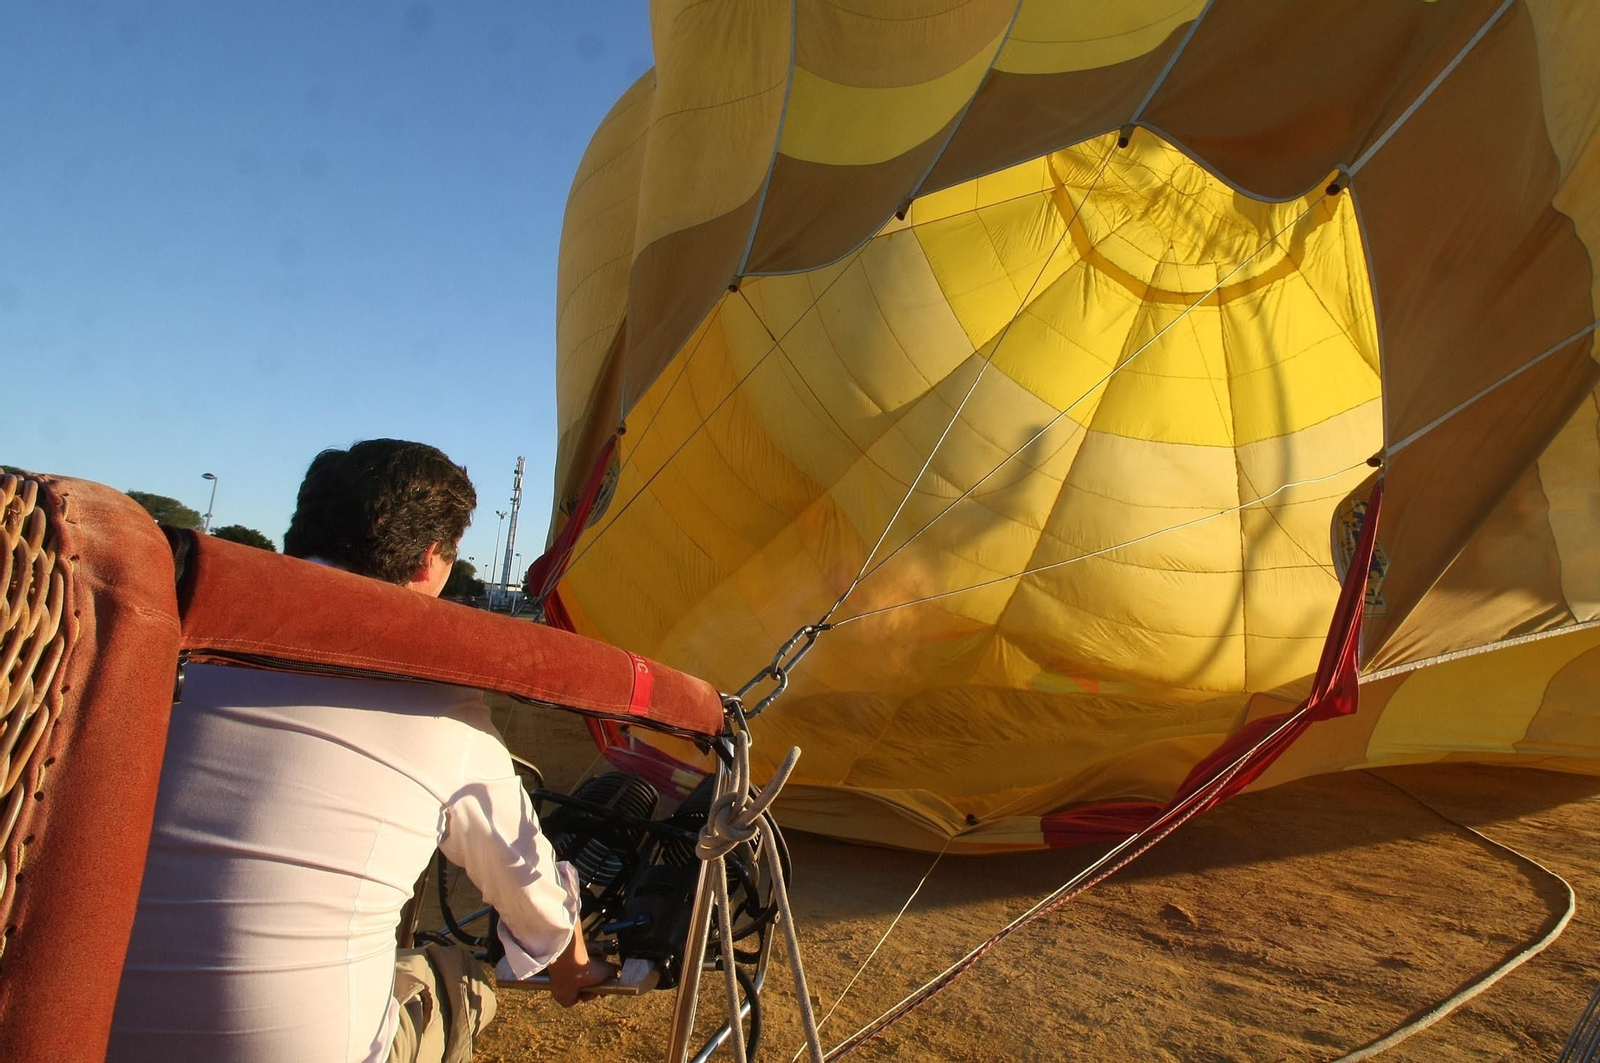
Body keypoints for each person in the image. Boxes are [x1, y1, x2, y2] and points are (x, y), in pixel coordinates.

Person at [109, 439, 612, 1063]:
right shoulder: (439, 707)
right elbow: (532, 891)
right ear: (431, 560)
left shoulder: (158, 652)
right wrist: (571, 967)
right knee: (458, 982)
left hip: (79, 1025)